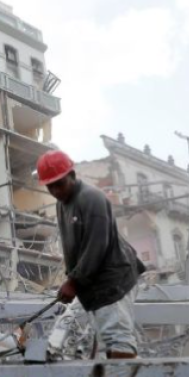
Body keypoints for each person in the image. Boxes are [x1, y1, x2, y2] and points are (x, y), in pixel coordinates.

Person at [38, 150, 145, 359]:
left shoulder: (91, 198)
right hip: (92, 281)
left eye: (59, 184)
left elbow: (97, 245)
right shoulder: (62, 204)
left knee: (118, 340)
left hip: (112, 280)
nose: (55, 191)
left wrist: (74, 281)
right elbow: (74, 247)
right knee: (87, 335)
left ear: (72, 175)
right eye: (50, 186)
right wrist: (73, 280)